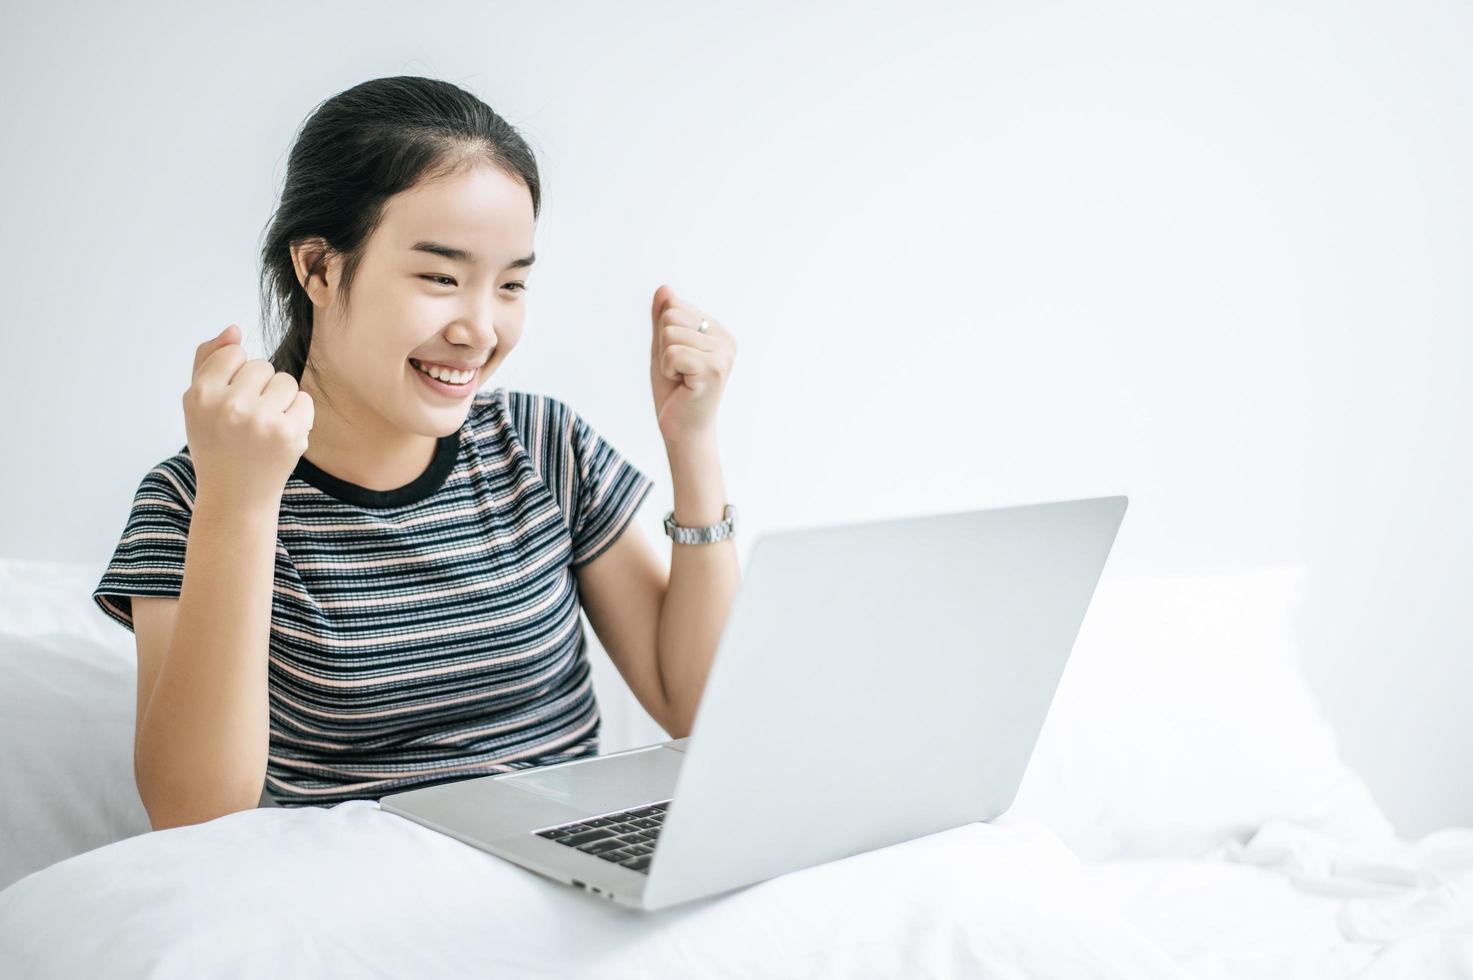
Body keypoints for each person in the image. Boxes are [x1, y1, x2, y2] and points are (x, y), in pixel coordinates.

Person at [92, 76, 742, 830]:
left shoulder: (540, 444)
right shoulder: (195, 494)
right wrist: (239, 501)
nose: (480, 329)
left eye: (510, 285)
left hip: (573, 878)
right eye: (440, 277)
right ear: (320, 269)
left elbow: (698, 710)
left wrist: (691, 443)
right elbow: (190, 811)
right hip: (361, 910)